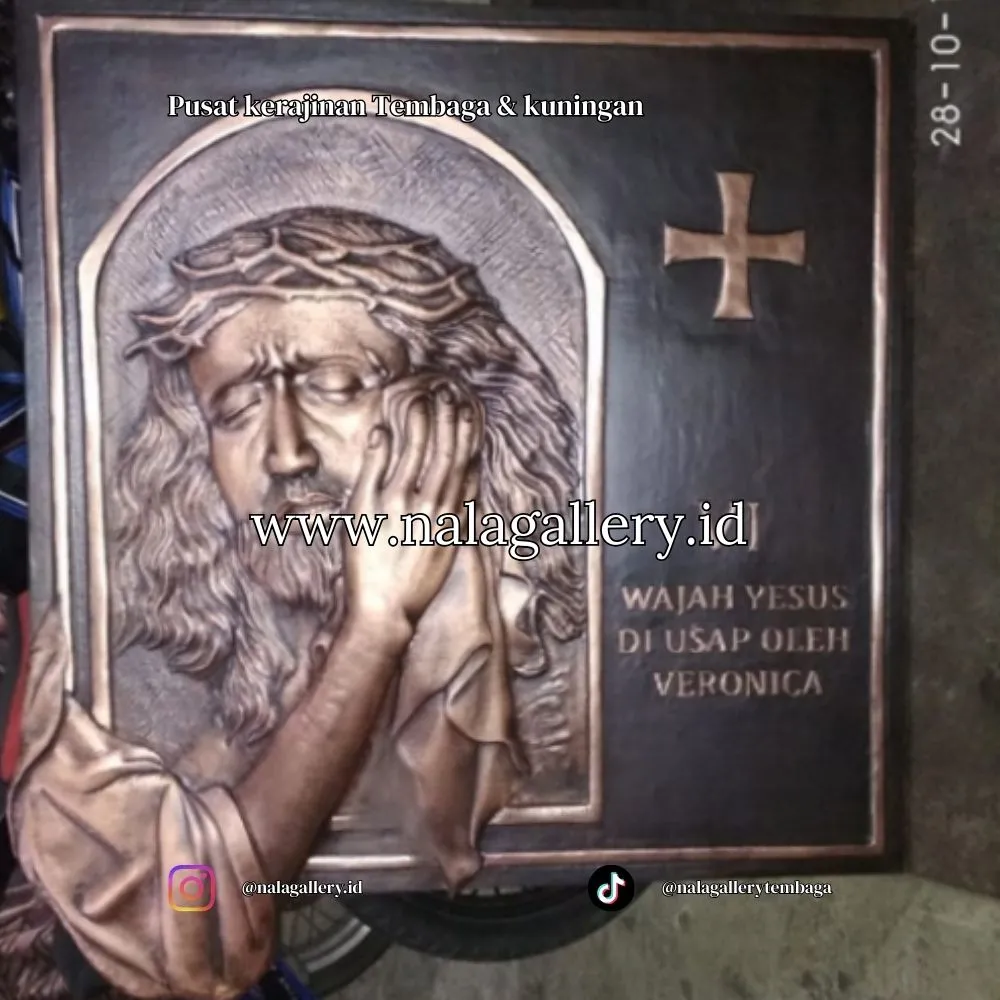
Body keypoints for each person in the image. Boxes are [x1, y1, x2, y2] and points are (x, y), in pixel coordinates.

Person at [7, 208, 584, 999]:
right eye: (235, 411)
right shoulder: (100, 654)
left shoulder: (524, 651)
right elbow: (182, 917)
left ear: (441, 411)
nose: (285, 452)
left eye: (334, 386)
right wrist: (373, 630)